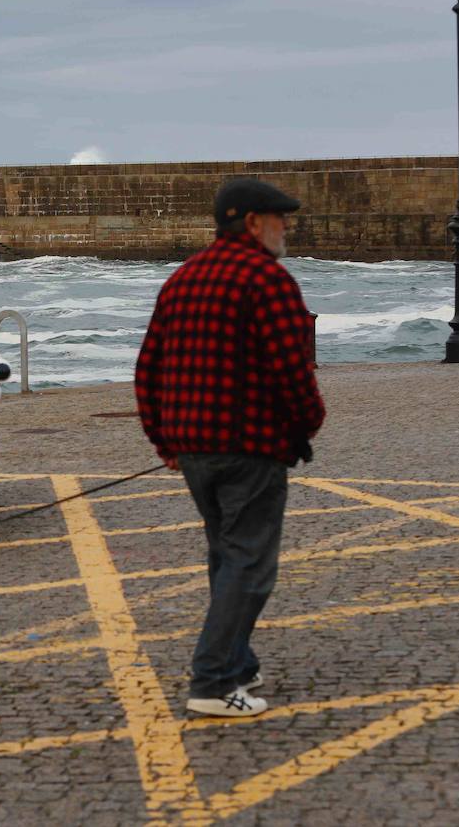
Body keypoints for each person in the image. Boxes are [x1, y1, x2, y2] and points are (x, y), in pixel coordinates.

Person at [133, 177, 325, 718]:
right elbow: (294, 371)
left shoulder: (182, 279)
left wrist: (163, 439)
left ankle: (238, 664)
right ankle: (213, 681)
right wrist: (306, 426)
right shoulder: (267, 280)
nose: (286, 226)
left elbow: (147, 369)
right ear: (251, 222)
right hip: (250, 448)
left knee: (227, 555)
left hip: (193, 451)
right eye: (278, 217)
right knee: (249, 563)